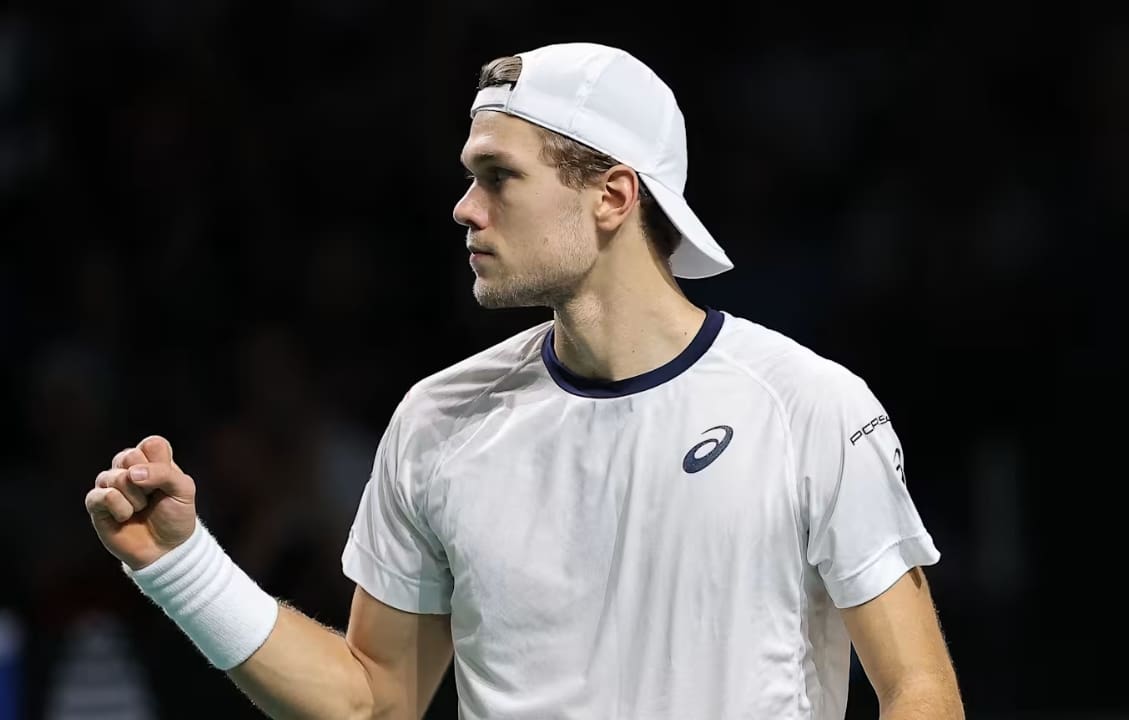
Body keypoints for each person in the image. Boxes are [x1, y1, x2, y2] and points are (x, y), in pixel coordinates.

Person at [85, 42, 963, 719]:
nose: (466, 208)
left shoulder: (810, 406)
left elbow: (920, 690)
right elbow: (371, 700)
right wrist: (181, 566)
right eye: (471, 177)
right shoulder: (435, 422)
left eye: (498, 177)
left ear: (613, 196)